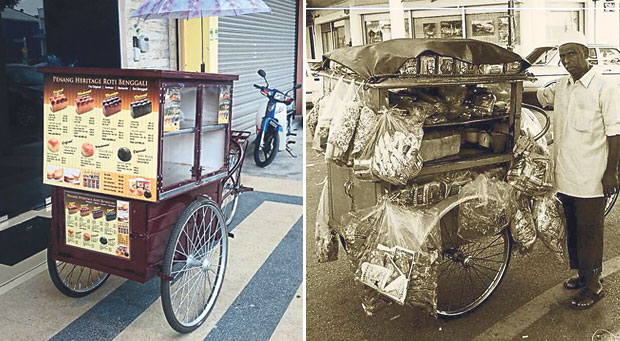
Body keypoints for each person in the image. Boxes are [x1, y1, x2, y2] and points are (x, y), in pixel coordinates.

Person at [537, 31, 620, 309]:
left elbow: (615, 133)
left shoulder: (605, 87)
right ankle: (583, 276)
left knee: (589, 232)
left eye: (571, 54)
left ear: (586, 54)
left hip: (592, 176)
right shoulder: (562, 85)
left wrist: (611, 173)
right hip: (565, 174)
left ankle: (595, 286)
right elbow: (538, 95)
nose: (566, 60)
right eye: (562, 56)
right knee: (572, 229)